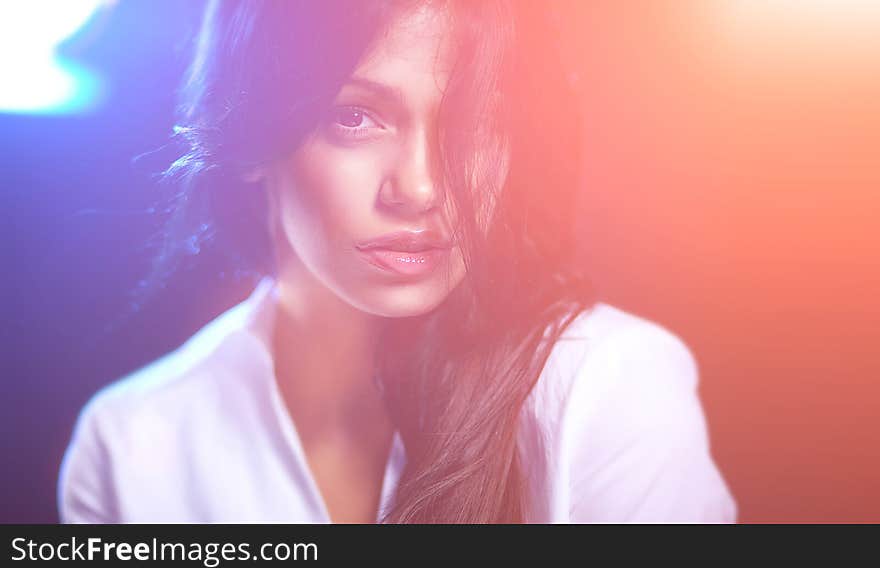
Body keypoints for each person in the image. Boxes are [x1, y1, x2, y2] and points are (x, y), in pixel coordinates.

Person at [58, 0, 737, 523]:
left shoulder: (605, 384)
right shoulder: (130, 444)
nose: (421, 189)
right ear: (251, 140)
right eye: (355, 118)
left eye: (475, 123)